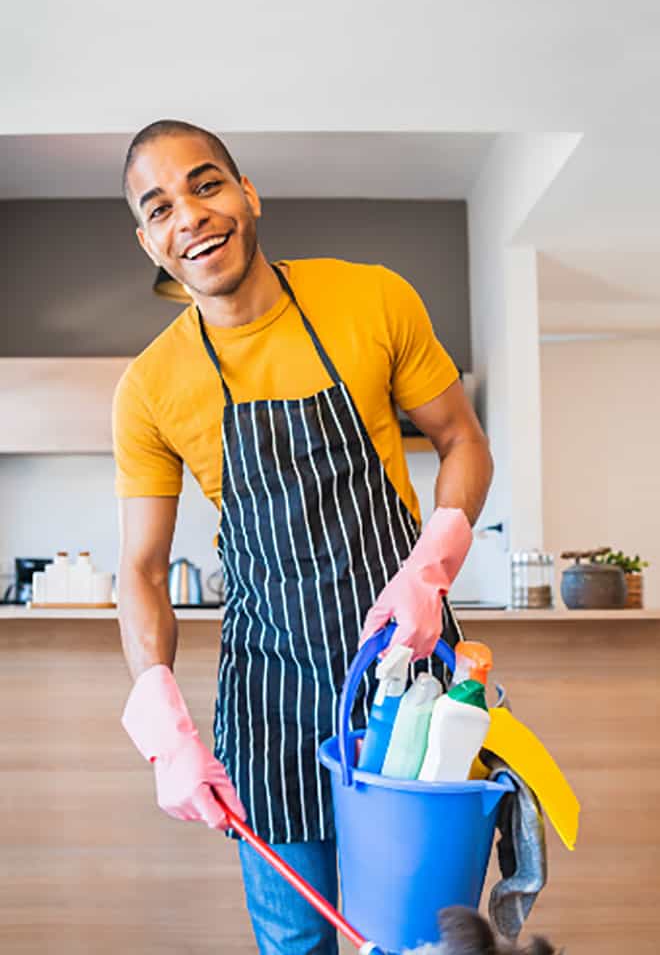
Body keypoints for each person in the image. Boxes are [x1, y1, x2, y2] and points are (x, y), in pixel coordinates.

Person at [114, 119, 493, 955]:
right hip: (270, 694)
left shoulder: (371, 299)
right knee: (297, 942)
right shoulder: (149, 386)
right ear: (149, 240)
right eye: (162, 207)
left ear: (248, 195)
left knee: (426, 936)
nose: (192, 216)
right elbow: (139, 568)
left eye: (207, 185)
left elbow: (462, 437)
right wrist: (162, 725)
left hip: (410, 675)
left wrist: (431, 568)